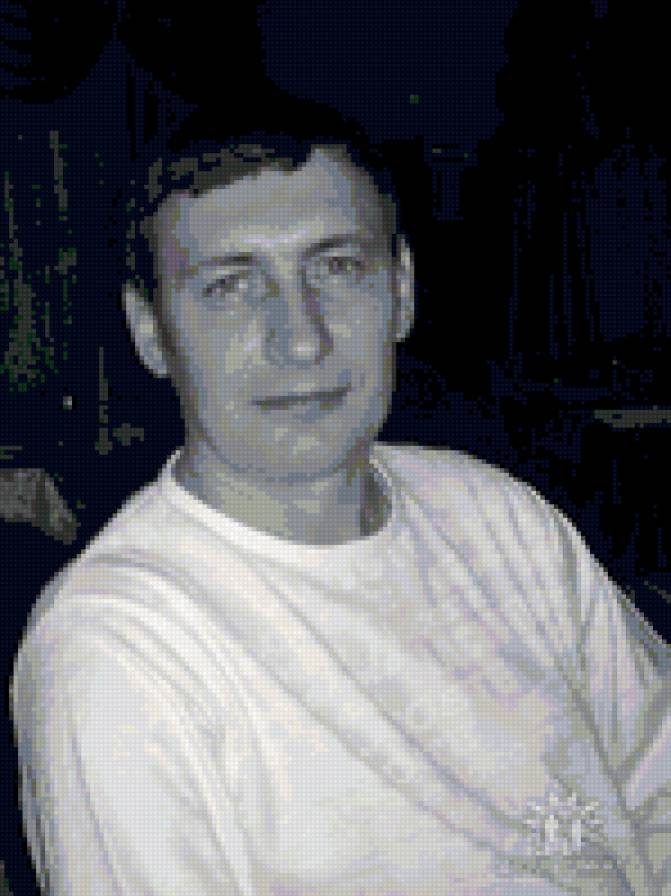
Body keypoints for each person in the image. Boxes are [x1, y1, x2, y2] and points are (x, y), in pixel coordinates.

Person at [9, 96, 671, 896]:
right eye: (230, 286)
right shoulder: (122, 646)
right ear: (151, 331)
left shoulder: (500, 517)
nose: (301, 338)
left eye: (336, 268)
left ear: (402, 289)